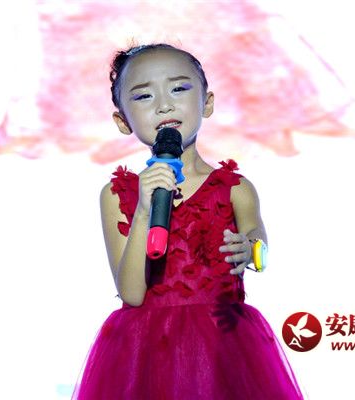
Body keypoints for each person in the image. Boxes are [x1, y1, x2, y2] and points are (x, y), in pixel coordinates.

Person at [71, 43, 304, 400]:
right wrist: (145, 209)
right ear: (122, 121)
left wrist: (251, 250)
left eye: (179, 88)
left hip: (225, 346)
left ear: (206, 103)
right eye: (144, 96)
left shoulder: (235, 188)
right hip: (146, 355)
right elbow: (131, 294)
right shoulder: (117, 195)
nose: (164, 105)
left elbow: (261, 253)